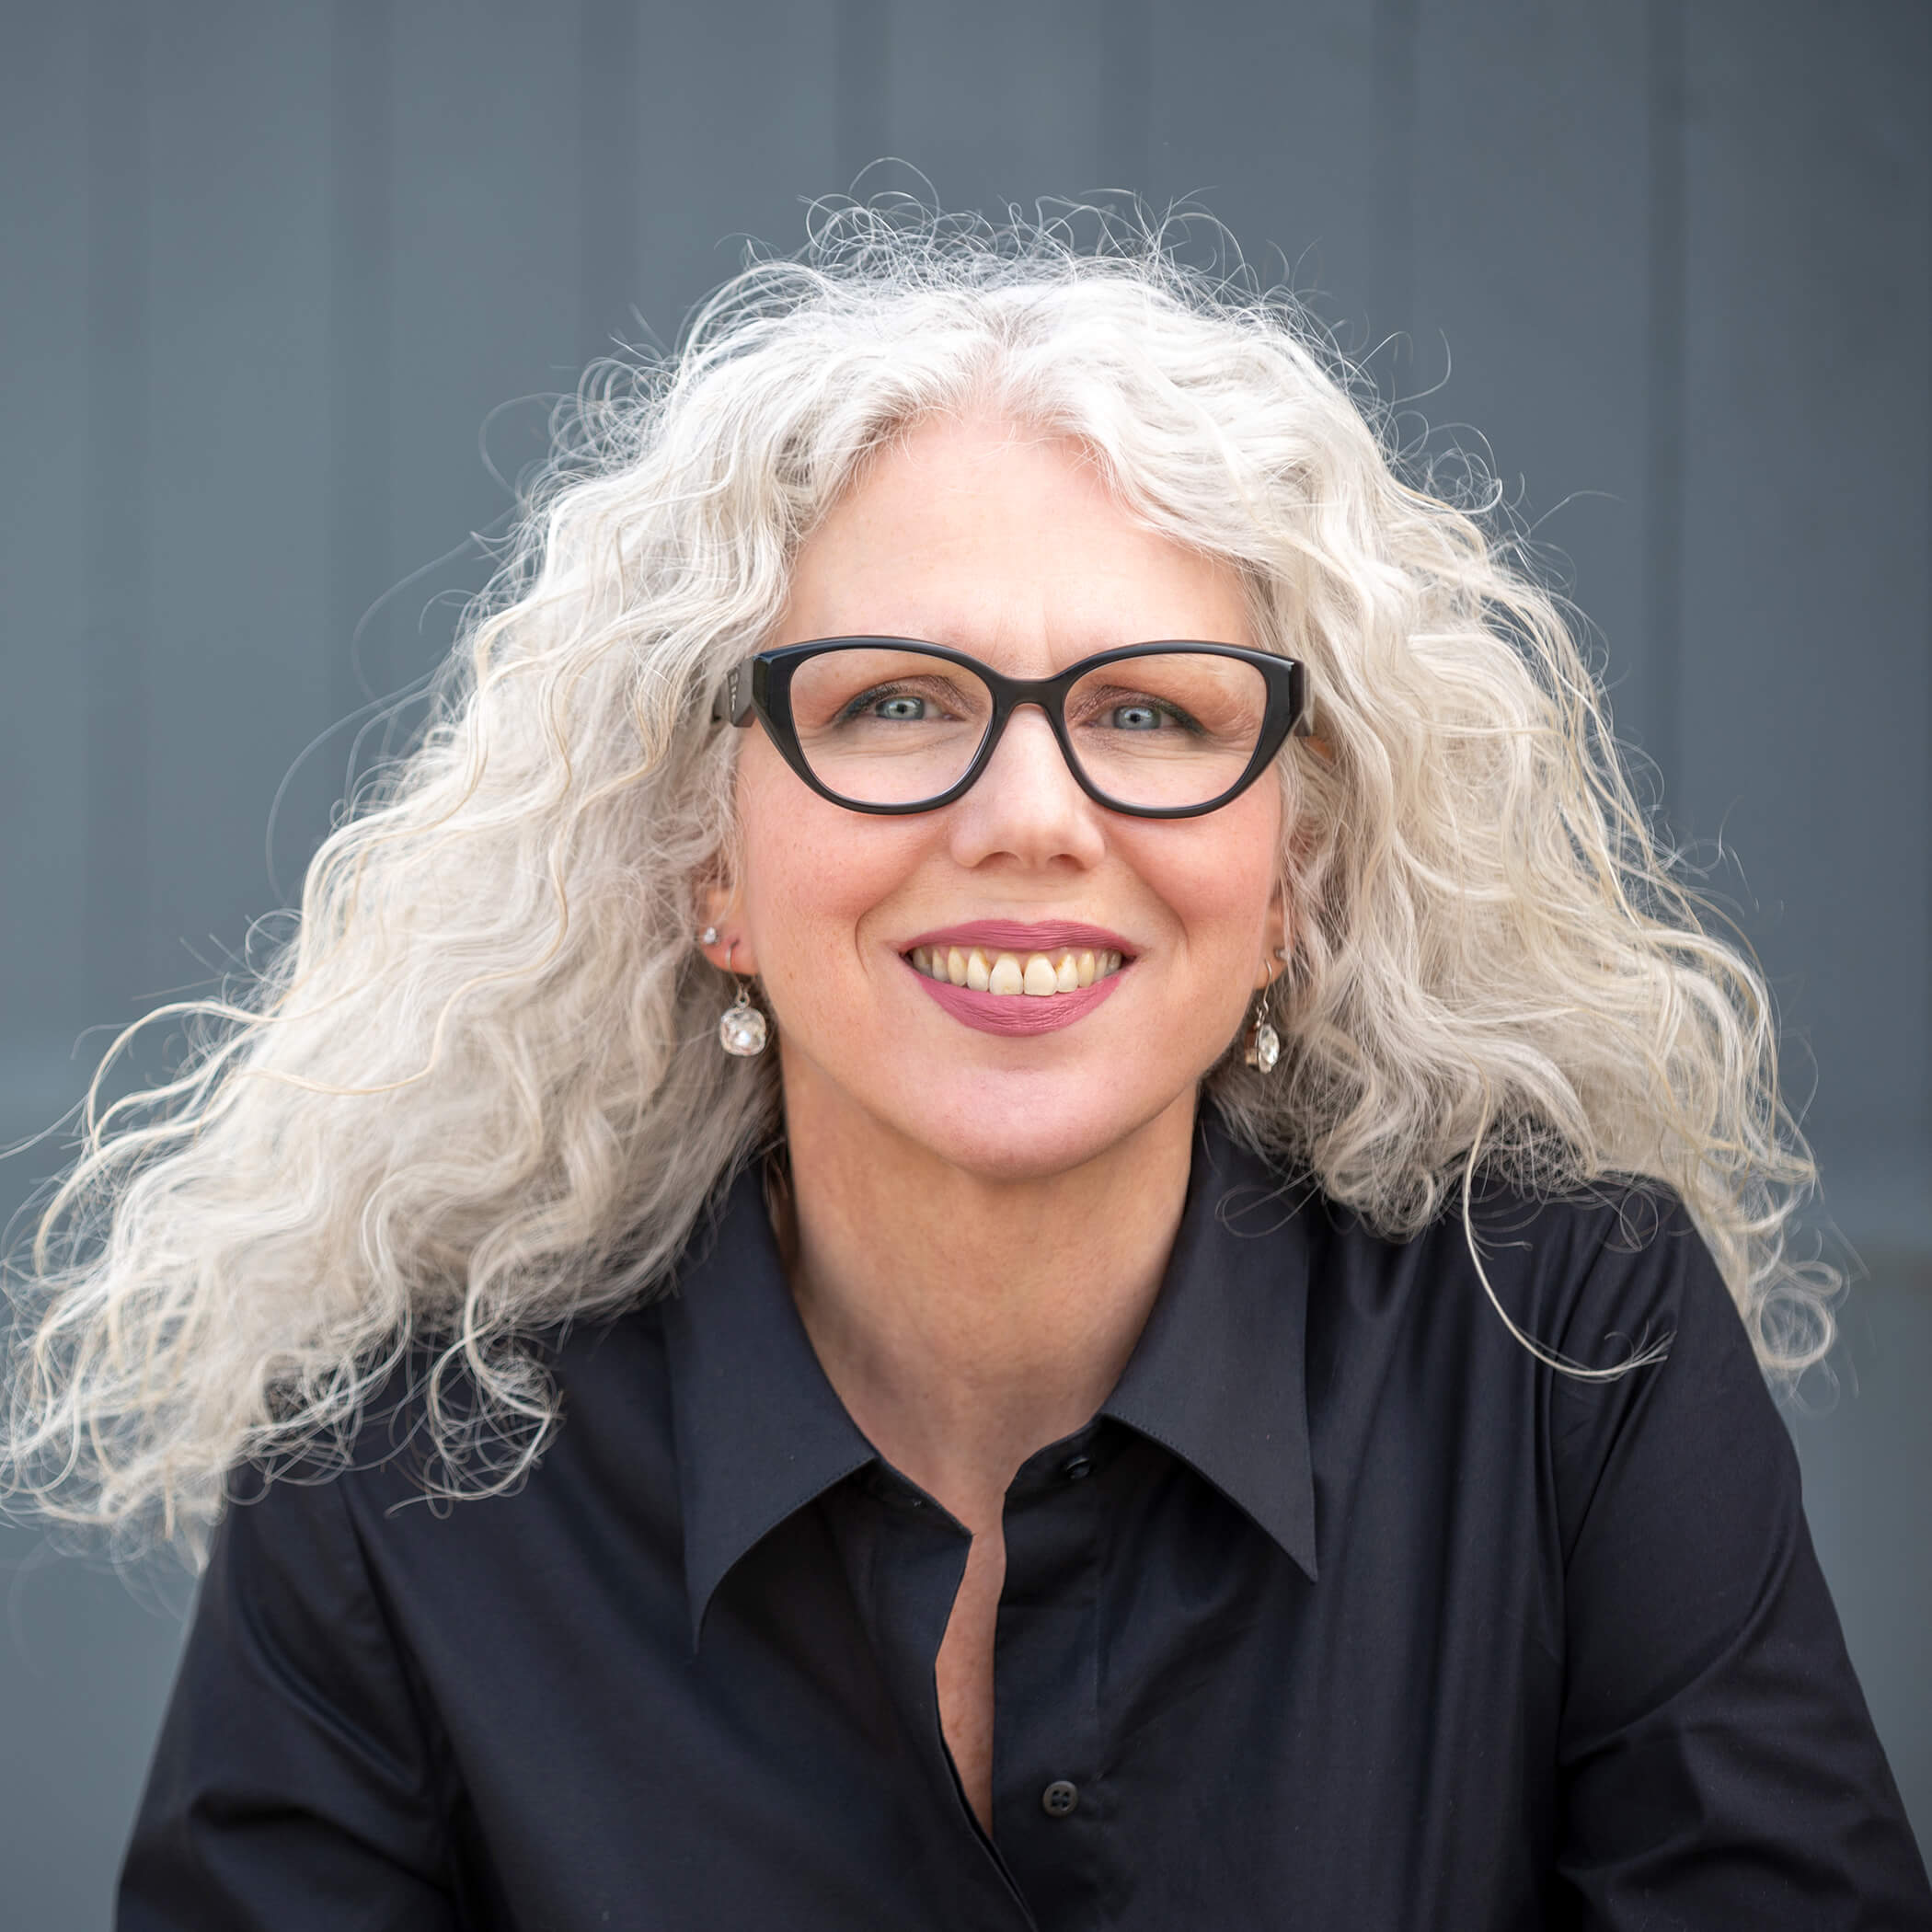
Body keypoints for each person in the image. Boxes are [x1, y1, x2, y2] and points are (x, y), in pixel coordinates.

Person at [6, 204, 1927, 1929]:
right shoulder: (394, 1483)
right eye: (898, 702)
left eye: (1153, 714)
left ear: (1292, 883)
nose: (1029, 815)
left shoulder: (1570, 1353)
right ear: (709, 863)